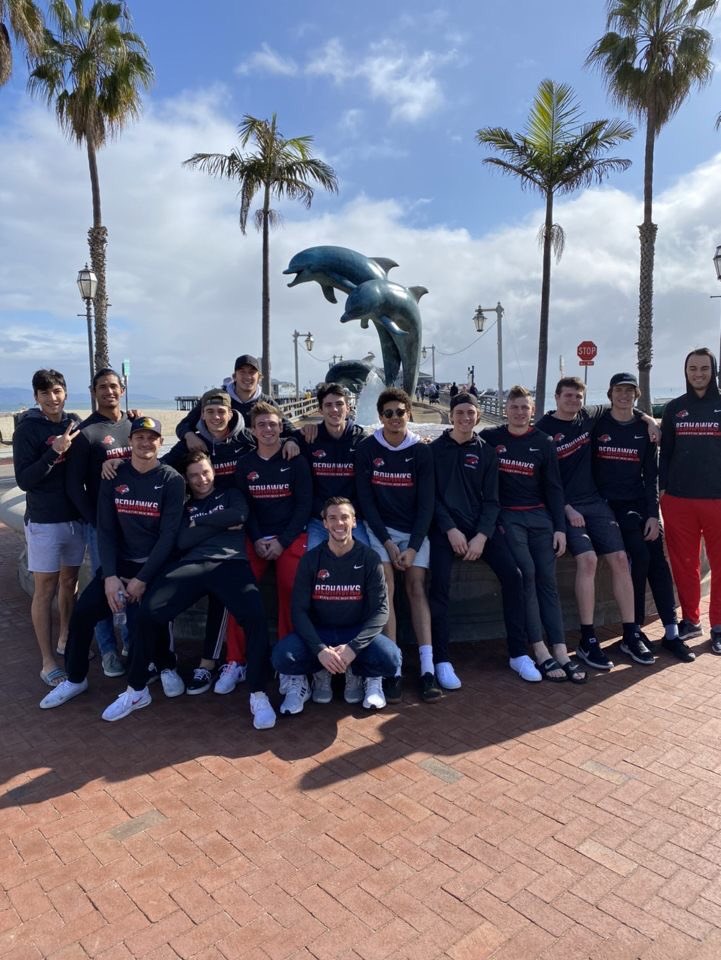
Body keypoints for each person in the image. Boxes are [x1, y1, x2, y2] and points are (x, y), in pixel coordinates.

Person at [101, 451, 276, 729]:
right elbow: (182, 540)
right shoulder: (185, 508)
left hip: (230, 563)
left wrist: (202, 522)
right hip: (192, 565)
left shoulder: (231, 495)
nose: (201, 479)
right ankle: (136, 691)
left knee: (255, 617)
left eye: (205, 472)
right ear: (187, 479)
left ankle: (258, 693)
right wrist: (217, 522)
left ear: (213, 471)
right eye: (194, 475)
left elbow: (240, 514)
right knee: (149, 611)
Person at [38, 417, 186, 710]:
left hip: (153, 568)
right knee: (82, 613)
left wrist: (142, 579)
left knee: (145, 618)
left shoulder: (171, 480)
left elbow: (168, 537)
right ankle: (76, 677)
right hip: (119, 566)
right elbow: (105, 530)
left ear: (160, 442)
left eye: (152, 438)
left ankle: (158, 672)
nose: (145, 443)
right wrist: (110, 576)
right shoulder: (113, 476)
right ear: (130, 441)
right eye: (139, 437)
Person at [536, 377, 655, 670]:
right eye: (568, 396)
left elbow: (624, 404)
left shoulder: (587, 417)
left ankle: (630, 633)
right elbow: (542, 481)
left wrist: (650, 419)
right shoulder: (542, 430)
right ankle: (588, 639)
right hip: (567, 507)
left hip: (596, 502)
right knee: (588, 560)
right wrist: (565, 509)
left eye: (578, 396)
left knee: (619, 557)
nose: (573, 401)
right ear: (556, 397)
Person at [429, 392, 541, 687]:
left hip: (479, 529)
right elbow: (431, 498)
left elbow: (493, 501)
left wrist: (481, 537)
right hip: (444, 530)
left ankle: (518, 654)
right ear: (451, 415)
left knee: (514, 576)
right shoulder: (434, 451)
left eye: (471, 413)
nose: (466, 418)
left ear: (478, 416)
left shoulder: (486, 452)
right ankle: (441, 660)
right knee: (438, 585)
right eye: (460, 413)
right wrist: (450, 530)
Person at [481, 386, 586, 682]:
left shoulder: (543, 442)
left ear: (532, 411)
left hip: (539, 517)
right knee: (526, 573)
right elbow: (461, 440)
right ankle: (539, 648)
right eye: (514, 407)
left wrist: (560, 528)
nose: (519, 413)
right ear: (506, 410)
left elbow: (554, 488)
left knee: (547, 580)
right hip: (509, 517)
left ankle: (561, 649)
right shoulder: (492, 438)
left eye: (524, 408)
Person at [593, 373, 691, 662]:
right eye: (619, 390)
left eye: (630, 391)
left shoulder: (644, 430)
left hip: (638, 504)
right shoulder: (598, 424)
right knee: (639, 554)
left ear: (636, 395)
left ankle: (671, 632)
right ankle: (631, 633)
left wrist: (652, 514)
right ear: (610, 393)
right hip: (608, 505)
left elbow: (651, 476)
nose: (624, 395)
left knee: (657, 556)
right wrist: (650, 418)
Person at [272, 497, 401, 714]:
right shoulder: (311, 559)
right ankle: (318, 673)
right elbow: (299, 610)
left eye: (344, 518)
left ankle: (362, 674)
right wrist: (319, 649)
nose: (338, 523)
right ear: (324, 523)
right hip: (321, 632)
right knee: (282, 657)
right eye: (332, 518)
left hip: (354, 632)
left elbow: (381, 610)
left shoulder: (369, 558)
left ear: (354, 522)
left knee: (391, 658)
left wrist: (353, 648)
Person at [355, 387, 442, 703]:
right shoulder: (367, 449)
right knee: (386, 586)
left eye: (400, 412)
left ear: (409, 414)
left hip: (415, 533)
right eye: (388, 413)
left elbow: (426, 503)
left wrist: (413, 546)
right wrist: (389, 544)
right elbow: (366, 500)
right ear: (380, 417)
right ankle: (393, 668)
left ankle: (427, 668)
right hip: (380, 532)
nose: (394, 418)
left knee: (417, 588)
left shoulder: (421, 452)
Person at [13, 369, 84, 687]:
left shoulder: (74, 422)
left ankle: (66, 638)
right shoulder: (27, 429)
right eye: (44, 393)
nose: (52, 398)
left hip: (75, 519)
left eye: (57, 391)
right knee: (45, 590)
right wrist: (53, 451)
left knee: (70, 582)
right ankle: (47, 662)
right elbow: (24, 480)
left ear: (65, 392)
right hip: (44, 521)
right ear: (36, 397)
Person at [227, 402, 311, 669]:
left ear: (280, 427)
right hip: (257, 538)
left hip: (290, 537)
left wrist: (282, 542)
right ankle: (235, 661)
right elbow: (245, 507)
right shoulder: (244, 465)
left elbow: (304, 505)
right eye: (261, 424)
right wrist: (258, 538)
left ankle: (288, 661)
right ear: (252, 430)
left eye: (272, 424)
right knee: (238, 592)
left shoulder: (295, 460)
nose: (267, 429)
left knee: (291, 590)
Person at [65, 367, 133, 677]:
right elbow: (73, 485)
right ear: (94, 392)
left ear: (123, 388)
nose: (109, 391)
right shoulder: (87, 433)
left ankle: (131, 643)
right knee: (101, 587)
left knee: (131, 584)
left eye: (114, 386)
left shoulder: (134, 426)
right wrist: (94, 521)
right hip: (101, 527)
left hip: (134, 523)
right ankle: (107, 650)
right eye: (102, 387)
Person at [660, 348, 721, 653]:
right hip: (679, 501)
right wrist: (663, 490)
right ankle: (691, 620)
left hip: (717, 500)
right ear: (685, 372)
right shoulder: (674, 408)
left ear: (714, 370)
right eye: (692, 369)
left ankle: (719, 625)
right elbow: (666, 452)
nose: (698, 374)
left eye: (704, 368)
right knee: (685, 565)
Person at [295, 382, 368, 549]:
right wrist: (292, 440)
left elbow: (365, 488)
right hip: (320, 519)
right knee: (313, 560)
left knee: (367, 557)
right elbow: (280, 437)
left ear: (348, 408)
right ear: (320, 410)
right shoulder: (310, 437)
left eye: (339, 404)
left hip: (351, 518)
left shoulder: (360, 439)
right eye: (328, 405)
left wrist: (346, 515)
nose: (334, 409)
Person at [175, 354, 296, 448]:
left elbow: (289, 430)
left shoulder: (267, 403)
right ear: (234, 376)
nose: (247, 376)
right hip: (220, 455)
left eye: (252, 372)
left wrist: (291, 441)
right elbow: (183, 426)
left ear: (259, 377)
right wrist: (189, 436)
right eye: (242, 372)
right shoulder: (217, 399)